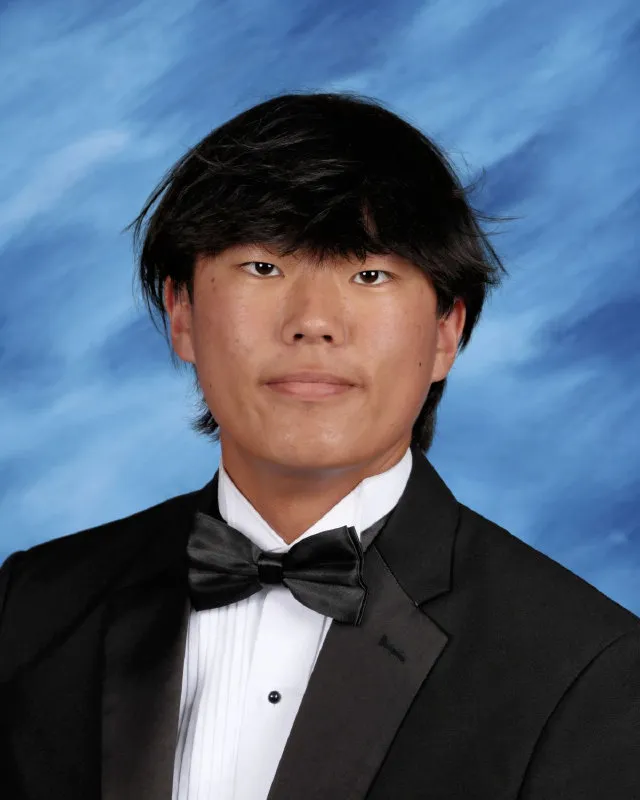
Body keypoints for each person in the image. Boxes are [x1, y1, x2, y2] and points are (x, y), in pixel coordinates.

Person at [0, 91, 638, 800]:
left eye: (369, 274)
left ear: (445, 333)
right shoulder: (32, 607)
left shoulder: (587, 670)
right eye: (263, 268)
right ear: (182, 313)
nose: (313, 323)